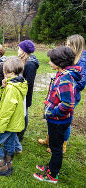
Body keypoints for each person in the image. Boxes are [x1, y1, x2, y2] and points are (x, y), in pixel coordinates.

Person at [33, 47, 82, 184]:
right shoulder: (62, 74)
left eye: (51, 60)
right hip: (56, 120)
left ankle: (52, 175)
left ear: (60, 62)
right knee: (55, 145)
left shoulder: (65, 78)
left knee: (56, 148)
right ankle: (50, 167)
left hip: (58, 121)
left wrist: (52, 112)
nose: (49, 62)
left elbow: (68, 103)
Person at [38, 35, 86, 153]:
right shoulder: (69, 59)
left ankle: (61, 144)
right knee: (53, 120)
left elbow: (81, 82)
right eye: (66, 44)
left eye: (69, 45)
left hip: (69, 96)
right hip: (60, 94)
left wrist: (66, 87)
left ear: (77, 46)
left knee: (64, 119)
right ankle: (51, 139)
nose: (67, 47)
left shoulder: (82, 60)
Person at [0, 56, 27, 176]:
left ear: (11, 73)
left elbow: (7, 109)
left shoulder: (11, 88)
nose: (3, 73)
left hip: (8, 123)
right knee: (9, 143)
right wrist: (3, 87)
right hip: (15, 122)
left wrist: (1, 126)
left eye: (5, 71)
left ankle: (1, 166)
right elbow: (7, 98)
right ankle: (9, 164)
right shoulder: (20, 83)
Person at [15, 40, 39, 153]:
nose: (17, 50)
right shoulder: (23, 61)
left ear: (24, 51)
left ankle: (20, 136)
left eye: (19, 48)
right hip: (20, 92)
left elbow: (28, 82)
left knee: (24, 115)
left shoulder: (30, 64)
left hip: (25, 94)